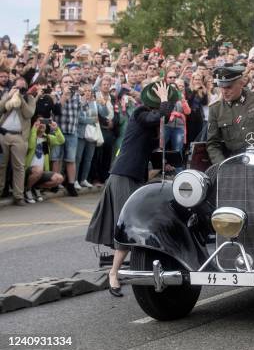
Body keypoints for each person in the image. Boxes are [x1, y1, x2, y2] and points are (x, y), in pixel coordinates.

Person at [86, 82, 177, 297]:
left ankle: (134, 267)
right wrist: (165, 99)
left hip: (133, 176)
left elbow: (145, 148)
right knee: (128, 225)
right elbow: (159, 116)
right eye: (163, 101)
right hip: (123, 175)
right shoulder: (140, 113)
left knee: (136, 223)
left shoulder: (148, 120)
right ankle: (113, 274)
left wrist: (162, 165)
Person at [0, 77, 38, 205]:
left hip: (20, 137)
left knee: (19, 167)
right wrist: (9, 96)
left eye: (23, 88)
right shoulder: (7, 94)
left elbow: (29, 114)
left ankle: (18, 196)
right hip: (3, 134)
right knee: (1, 165)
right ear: (13, 86)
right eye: (18, 87)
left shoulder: (30, 98)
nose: (21, 90)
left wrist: (21, 99)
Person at [24, 117, 65, 203]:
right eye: (40, 121)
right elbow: (31, 146)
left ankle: (35, 187)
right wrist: (34, 130)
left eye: (44, 122)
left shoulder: (48, 138)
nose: (42, 124)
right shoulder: (30, 135)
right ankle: (27, 189)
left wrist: (56, 129)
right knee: (38, 170)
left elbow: (61, 140)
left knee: (59, 178)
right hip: (28, 171)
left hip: (41, 172)